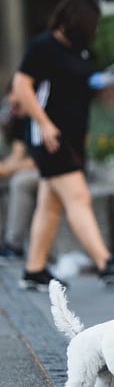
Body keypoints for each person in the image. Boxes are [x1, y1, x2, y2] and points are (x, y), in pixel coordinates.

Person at [12, 0, 114, 291]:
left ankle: (34, 269)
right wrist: (45, 124)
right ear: (77, 20)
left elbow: (83, 84)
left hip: (73, 137)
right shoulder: (43, 46)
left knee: (50, 205)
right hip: (50, 137)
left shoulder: (80, 52)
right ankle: (106, 262)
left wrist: (112, 75)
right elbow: (21, 86)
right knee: (78, 197)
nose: (95, 30)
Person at [0, 80, 38, 260]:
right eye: (11, 105)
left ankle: (14, 244)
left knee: (20, 182)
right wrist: (6, 166)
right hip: (34, 167)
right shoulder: (20, 121)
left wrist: (9, 169)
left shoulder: (40, 116)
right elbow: (17, 156)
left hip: (54, 169)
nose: (13, 110)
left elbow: (39, 161)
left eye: (16, 104)